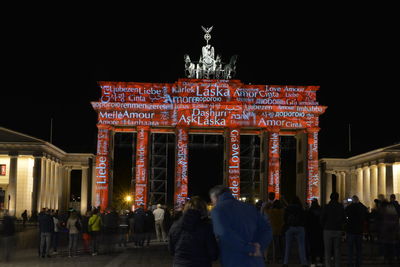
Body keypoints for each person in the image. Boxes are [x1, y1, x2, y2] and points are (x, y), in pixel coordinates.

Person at [209, 185, 272, 267]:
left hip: (233, 261)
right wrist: (259, 246)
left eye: (212, 200)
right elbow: (267, 229)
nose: (213, 203)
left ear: (215, 197)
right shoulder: (250, 207)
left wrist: (250, 249)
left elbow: (225, 234)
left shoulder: (217, 210)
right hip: (256, 261)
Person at [169, 196, 218, 267]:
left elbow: (171, 251)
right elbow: (213, 254)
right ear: (203, 209)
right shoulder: (206, 227)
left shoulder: (175, 226)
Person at [321, 192, 345, 267]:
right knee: (337, 250)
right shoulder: (340, 206)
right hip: (338, 229)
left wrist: (323, 226)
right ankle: (337, 265)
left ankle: (328, 265)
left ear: (330, 198)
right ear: (337, 198)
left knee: (327, 250)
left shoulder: (327, 206)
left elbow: (322, 218)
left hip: (328, 229)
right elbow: (344, 218)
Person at [282, 196, 308, 267]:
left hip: (289, 227)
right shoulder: (300, 208)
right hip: (300, 227)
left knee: (287, 246)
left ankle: (285, 262)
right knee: (301, 246)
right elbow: (304, 218)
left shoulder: (288, 208)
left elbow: (284, 218)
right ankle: (304, 262)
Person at [345, 195, 367, 267]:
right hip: (359, 231)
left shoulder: (349, 207)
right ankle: (358, 264)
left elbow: (345, 215)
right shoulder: (362, 207)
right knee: (359, 250)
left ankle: (350, 263)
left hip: (351, 231)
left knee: (350, 249)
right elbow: (366, 212)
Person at [377, 199, 399, 264]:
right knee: (391, 249)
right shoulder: (393, 211)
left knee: (387, 248)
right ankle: (391, 259)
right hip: (392, 235)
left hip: (386, 234)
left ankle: (386, 259)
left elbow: (384, 223)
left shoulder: (385, 212)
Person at [263, 199, 284, 264]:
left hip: (269, 230)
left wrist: (270, 204)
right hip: (278, 230)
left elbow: (264, 208)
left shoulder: (270, 212)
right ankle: (276, 258)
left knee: (267, 245)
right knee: (276, 245)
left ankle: (266, 258)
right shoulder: (281, 211)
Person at [306, 198, 324, 266]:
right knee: (320, 246)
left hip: (312, 231)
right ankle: (320, 261)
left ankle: (313, 261)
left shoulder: (310, 211)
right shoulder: (321, 210)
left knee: (312, 246)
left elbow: (307, 222)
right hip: (320, 230)